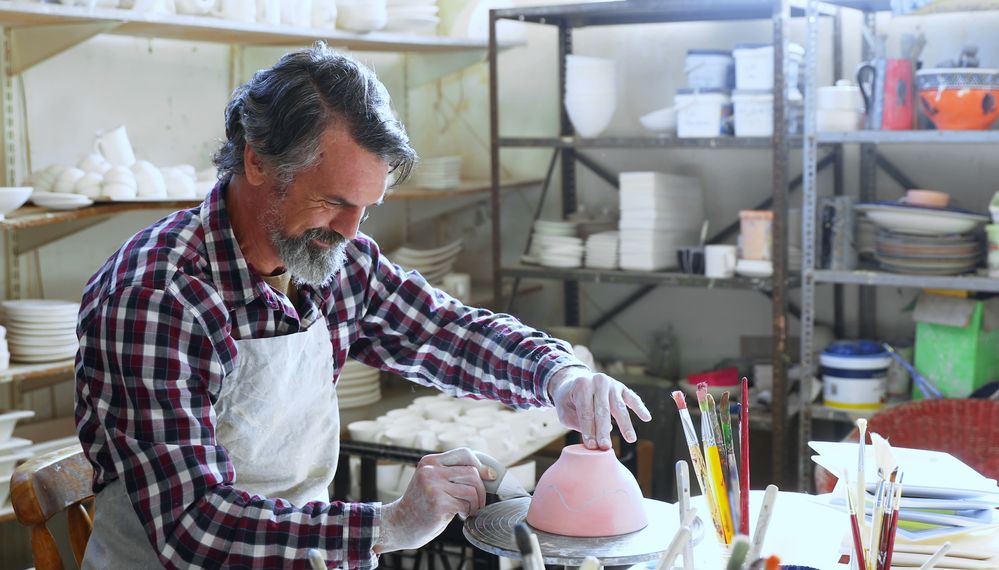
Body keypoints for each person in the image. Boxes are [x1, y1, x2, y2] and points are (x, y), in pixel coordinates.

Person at [75, 42, 651, 569]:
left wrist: (559, 376)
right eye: (333, 201)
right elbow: (195, 525)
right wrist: (388, 524)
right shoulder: (159, 297)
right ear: (256, 162)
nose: (350, 232)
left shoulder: (328, 255)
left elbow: (445, 331)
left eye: (366, 208)